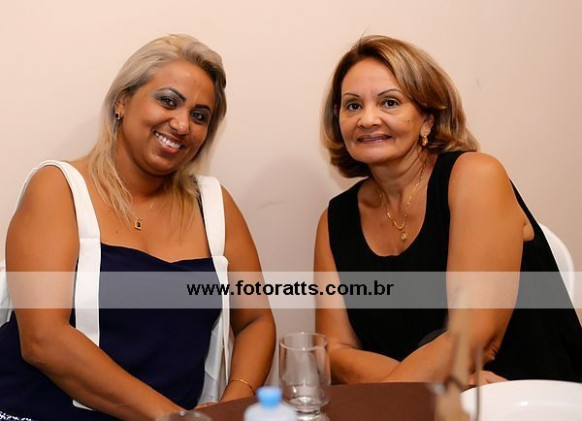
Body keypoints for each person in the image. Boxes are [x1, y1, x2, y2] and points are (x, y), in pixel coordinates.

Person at [0, 34, 275, 420]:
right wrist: (173, 417)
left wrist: (233, 403)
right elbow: (43, 340)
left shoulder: (215, 205)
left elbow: (257, 321)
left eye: (200, 116)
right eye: (168, 101)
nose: (182, 124)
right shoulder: (58, 188)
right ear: (122, 101)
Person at [315, 35, 581, 385]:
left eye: (389, 102)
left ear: (427, 118)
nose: (367, 119)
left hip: (531, 397)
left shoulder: (476, 176)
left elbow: (474, 339)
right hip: (424, 402)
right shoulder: (334, 220)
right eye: (352, 106)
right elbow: (333, 351)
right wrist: (431, 388)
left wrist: (395, 396)